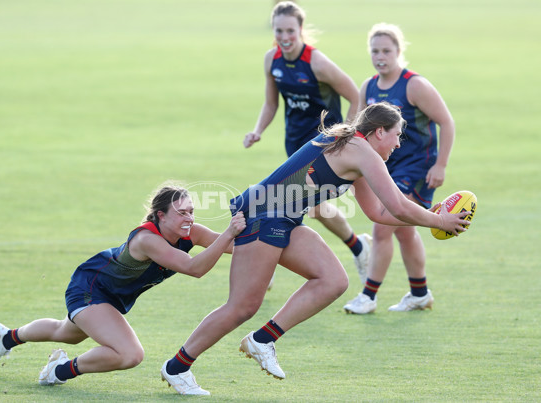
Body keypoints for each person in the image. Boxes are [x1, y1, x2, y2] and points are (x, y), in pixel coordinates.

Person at [160, 102, 470, 395]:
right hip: (263, 215)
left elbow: (379, 213)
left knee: (333, 280)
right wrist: (437, 220)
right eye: (397, 135)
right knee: (242, 306)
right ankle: (177, 367)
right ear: (379, 132)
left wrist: (434, 220)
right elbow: (398, 205)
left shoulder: (356, 150)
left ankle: (263, 339)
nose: (398, 143)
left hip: (285, 217)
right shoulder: (360, 149)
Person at [0, 184, 245, 394]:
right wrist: (228, 233)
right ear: (161, 215)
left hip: (110, 296)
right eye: (181, 213)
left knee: (66, 332)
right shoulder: (147, 240)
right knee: (129, 354)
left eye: (191, 211)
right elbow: (195, 268)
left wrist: (264, 239)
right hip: (90, 288)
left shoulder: (191, 232)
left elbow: (235, 247)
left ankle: (6, 337)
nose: (189, 218)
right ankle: (60, 370)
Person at [243, 1, 371, 288]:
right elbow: (271, 102)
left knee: (286, 203)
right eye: (279, 31)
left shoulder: (317, 63)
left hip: (325, 147)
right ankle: (359, 247)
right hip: (296, 145)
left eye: (290, 30)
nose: (284, 37)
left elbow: (354, 95)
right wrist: (257, 131)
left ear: (300, 30)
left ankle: (268, 261)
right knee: (307, 206)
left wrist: (346, 138)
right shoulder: (271, 60)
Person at [343, 23, 456, 315]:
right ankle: (420, 293)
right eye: (375, 51)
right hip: (384, 166)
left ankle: (368, 296)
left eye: (386, 50)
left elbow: (446, 122)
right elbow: (352, 126)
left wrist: (440, 164)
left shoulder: (414, 85)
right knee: (404, 231)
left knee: (384, 226)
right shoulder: (367, 87)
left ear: (398, 52)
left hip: (418, 166)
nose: (380, 56)